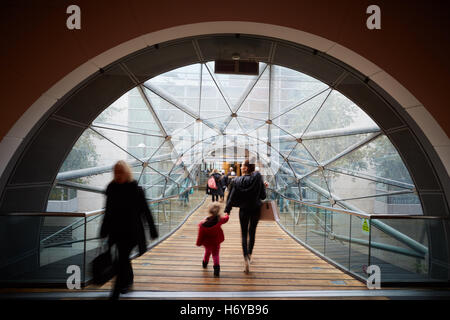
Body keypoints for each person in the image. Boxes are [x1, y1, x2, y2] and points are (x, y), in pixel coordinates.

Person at [100, 160, 158, 300]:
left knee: (122, 258)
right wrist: (103, 230)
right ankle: (128, 280)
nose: (118, 175)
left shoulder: (135, 189)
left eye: (120, 172)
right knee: (123, 258)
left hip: (131, 232)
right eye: (116, 172)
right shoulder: (111, 188)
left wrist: (152, 229)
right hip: (116, 231)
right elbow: (108, 212)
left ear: (126, 173)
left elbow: (145, 211)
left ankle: (115, 292)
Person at [225, 159, 268, 274]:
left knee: (244, 234)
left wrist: (227, 211)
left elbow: (231, 197)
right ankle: (250, 254)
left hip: (243, 210)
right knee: (252, 232)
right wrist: (263, 187)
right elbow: (263, 197)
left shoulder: (237, 180)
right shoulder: (258, 180)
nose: (241, 166)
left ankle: (245, 259)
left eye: (242, 165)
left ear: (246, 168)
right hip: (255, 209)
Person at [196, 203, 229, 277]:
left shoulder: (202, 225)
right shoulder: (219, 220)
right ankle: (216, 270)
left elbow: (200, 235)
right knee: (215, 254)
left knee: (207, 252)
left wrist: (198, 243)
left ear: (209, 212)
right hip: (216, 242)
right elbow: (226, 219)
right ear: (218, 212)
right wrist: (227, 214)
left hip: (207, 243)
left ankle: (205, 263)